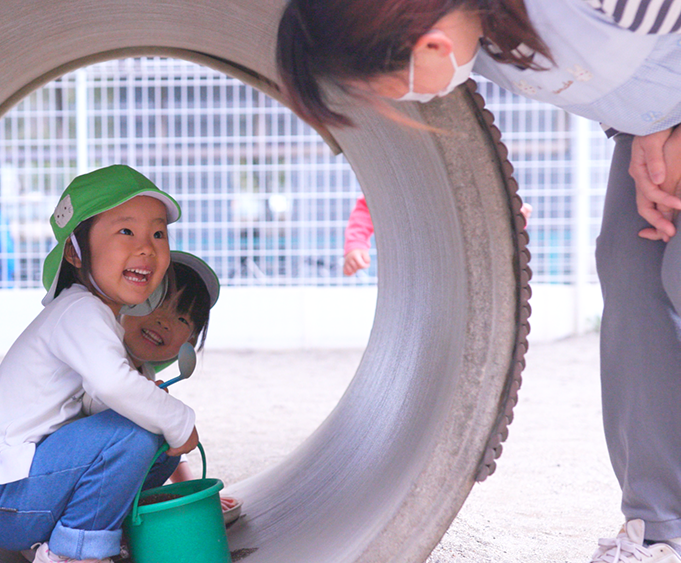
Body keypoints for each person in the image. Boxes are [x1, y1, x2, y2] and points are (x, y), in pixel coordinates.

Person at [276, 1, 681, 560]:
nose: (401, 104)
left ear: (430, 46)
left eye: (390, 90)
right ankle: (663, 529)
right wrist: (646, 130)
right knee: (631, 275)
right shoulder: (481, 36)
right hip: (655, 127)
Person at [0, 165, 199, 563]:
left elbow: (104, 403)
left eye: (158, 233)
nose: (147, 248)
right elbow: (113, 388)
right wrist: (179, 419)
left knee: (153, 434)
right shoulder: (79, 310)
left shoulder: (99, 319)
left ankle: (96, 531)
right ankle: (73, 551)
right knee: (140, 431)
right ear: (76, 251)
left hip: (25, 492)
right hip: (5, 497)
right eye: (126, 231)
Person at [85, 251, 241, 521]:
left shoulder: (142, 373)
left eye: (182, 319)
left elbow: (167, 445)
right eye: (156, 303)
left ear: (189, 343)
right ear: (126, 302)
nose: (163, 321)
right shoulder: (101, 355)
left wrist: (188, 493)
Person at [342, 196, 533, 276]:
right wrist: (356, 244)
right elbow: (368, 206)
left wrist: (512, 218)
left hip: (460, 257)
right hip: (415, 262)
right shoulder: (399, 175)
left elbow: (488, 203)